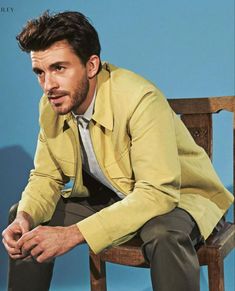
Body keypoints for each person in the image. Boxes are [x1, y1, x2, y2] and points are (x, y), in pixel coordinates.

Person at [2, 11, 233, 291]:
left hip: (179, 198)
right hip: (114, 195)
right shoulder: (51, 106)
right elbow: (46, 177)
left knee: (164, 233)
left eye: (59, 68)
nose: (48, 85)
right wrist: (25, 216)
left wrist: (73, 234)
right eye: (40, 72)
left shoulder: (140, 99)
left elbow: (158, 194)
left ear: (91, 66)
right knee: (24, 217)